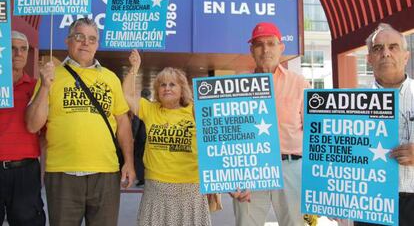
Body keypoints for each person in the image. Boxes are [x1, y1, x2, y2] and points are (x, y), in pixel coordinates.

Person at [26, 18, 135, 226]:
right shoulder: (50, 76)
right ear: (68, 41)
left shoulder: (110, 78)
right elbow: (32, 125)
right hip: (62, 174)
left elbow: (122, 122)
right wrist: (45, 88)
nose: (86, 42)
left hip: (105, 173)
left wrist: (129, 162)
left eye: (92, 39)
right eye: (79, 37)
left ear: (97, 45)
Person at [231, 22, 310, 226]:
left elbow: (313, 133)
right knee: (246, 223)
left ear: (281, 47)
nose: (265, 49)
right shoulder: (236, 87)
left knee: (295, 223)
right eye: (259, 44)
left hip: (291, 167)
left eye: (271, 43)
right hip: (249, 168)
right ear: (251, 50)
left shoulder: (299, 83)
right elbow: (230, 136)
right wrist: (231, 176)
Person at [123, 49, 211, 226]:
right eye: (162, 85)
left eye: (172, 84)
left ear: (182, 89)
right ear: (157, 90)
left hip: (190, 188)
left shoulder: (195, 110)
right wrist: (134, 68)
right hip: (156, 188)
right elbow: (127, 95)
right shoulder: (150, 109)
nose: (167, 88)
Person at [354, 23, 414, 226]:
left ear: (406, 56)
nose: (385, 53)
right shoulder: (350, 104)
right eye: (377, 48)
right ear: (369, 59)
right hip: (370, 201)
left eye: (393, 47)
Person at [0, 31, 46, 226]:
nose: (18, 53)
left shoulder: (37, 87)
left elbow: (44, 134)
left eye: (23, 49)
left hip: (25, 171)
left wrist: (41, 169)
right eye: (12, 48)